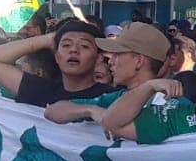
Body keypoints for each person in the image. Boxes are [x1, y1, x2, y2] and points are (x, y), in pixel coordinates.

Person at [42, 23, 170, 126]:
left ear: (138, 61)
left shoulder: (170, 105)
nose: (110, 62)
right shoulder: (114, 98)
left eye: (117, 54)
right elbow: (52, 111)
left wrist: (111, 120)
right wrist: (91, 110)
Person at [0, 19, 116, 106]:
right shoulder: (39, 90)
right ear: (56, 56)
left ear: (98, 58)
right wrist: (47, 39)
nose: (74, 50)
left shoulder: (114, 98)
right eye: (66, 45)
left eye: (84, 46)